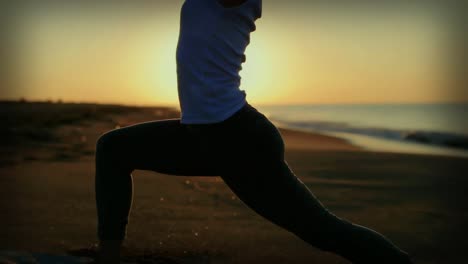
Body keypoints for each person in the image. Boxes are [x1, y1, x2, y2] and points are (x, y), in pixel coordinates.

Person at [95, 0, 414, 263]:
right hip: (201, 135)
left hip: (239, 139)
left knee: (323, 232)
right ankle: (109, 256)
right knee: (113, 149)